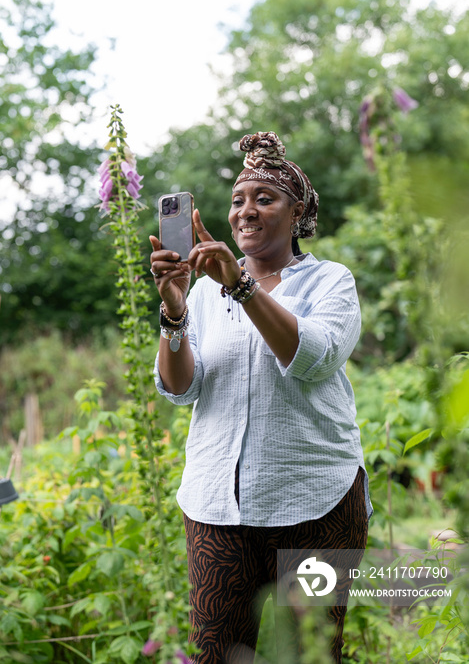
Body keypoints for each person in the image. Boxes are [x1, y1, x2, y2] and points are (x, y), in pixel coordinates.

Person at [149, 131, 372, 664]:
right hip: (217, 508)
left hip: (315, 503)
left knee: (312, 652)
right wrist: (175, 312)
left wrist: (240, 285)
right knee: (220, 655)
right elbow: (181, 388)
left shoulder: (329, 283)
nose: (246, 211)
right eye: (237, 201)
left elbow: (311, 358)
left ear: (297, 214)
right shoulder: (202, 292)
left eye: (264, 199)